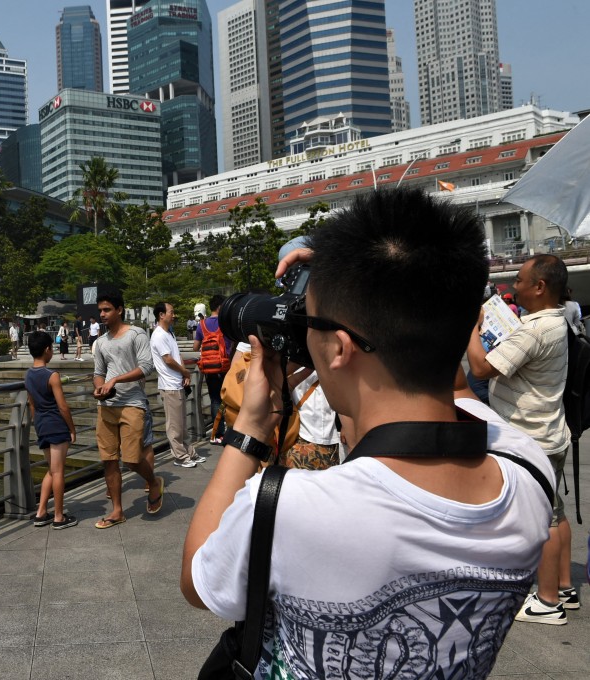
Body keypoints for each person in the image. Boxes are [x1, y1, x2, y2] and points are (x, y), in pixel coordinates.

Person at [182, 188, 554, 678]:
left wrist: (251, 427)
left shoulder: (289, 508)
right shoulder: (529, 471)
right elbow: (453, 381)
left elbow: (197, 579)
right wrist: (375, 278)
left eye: (308, 324)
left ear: (339, 348)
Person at [467, 253, 575, 624]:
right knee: (554, 512)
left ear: (540, 287)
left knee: (539, 520)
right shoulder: (552, 321)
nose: (515, 286)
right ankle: (563, 586)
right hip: (548, 431)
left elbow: (481, 368)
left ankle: (546, 602)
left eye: (520, 280)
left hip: (531, 436)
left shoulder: (536, 328)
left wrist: (473, 328)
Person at [93, 290, 163, 528]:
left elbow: (146, 367)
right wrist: (99, 387)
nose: (102, 314)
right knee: (109, 460)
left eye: (107, 310)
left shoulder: (136, 334)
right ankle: (117, 511)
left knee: (132, 459)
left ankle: (153, 482)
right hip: (106, 406)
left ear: (119, 310)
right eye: (100, 310)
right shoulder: (100, 342)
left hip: (132, 403)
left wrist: (116, 381)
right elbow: (99, 372)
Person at [25, 331, 78, 530]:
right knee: (58, 472)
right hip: (56, 424)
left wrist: (36, 422)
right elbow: (62, 406)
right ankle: (58, 516)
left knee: (51, 469)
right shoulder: (52, 375)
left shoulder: (28, 375)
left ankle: (40, 513)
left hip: (41, 424)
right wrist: (72, 429)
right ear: (47, 350)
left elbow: (32, 404)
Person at [150, 301, 205, 468]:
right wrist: (185, 372)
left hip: (177, 383)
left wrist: (184, 373)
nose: (174, 315)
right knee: (174, 425)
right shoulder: (158, 335)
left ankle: (189, 453)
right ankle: (180, 456)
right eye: (171, 312)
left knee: (181, 423)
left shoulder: (169, 333)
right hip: (169, 385)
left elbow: (176, 355)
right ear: (161, 315)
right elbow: (167, 360)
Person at [193, 295, 232, 444]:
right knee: (229, 398)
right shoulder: (226, 323)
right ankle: (230, 429)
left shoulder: (202, 325)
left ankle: (216, 434)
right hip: (225, 366)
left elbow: (195, 347)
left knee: (215, 399)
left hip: (209, 368)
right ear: (221, 307)